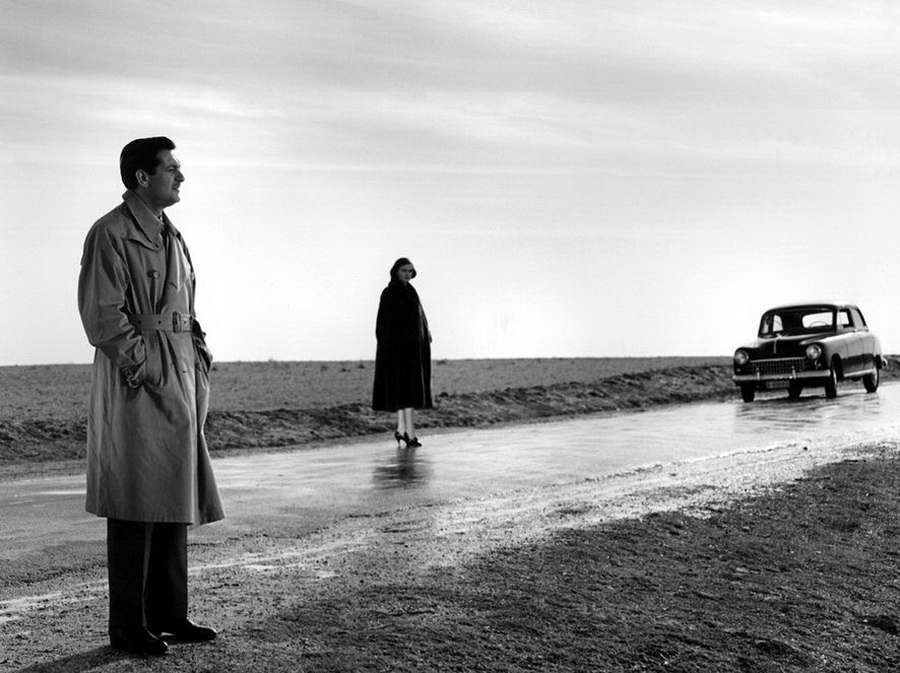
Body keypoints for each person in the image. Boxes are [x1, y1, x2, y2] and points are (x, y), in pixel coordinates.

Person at [77, 137, 224, 657]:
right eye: (171, 168)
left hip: (181, 373)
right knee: (136, 500)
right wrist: (144, 366)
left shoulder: (172, 233)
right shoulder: (111, 232)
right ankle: (128, 625)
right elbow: (103, 316)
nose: (180, 176)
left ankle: (169, 613)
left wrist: (199, 355)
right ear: (142, 176)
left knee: (173, 494)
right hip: (139, 378)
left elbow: (187, 307)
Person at [372, 257, 433, 447]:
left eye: (410, 271)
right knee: (403, 389)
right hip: (397, 350)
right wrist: (389, 346)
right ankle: (408, 432)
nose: (407, 274)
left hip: (413, 349)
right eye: (404, 270)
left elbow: (420, 318)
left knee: (408, 390)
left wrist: (425, 334)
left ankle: (403, 430)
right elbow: (383, 323)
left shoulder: (411, 291)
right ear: (396, 272)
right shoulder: (389, 293)